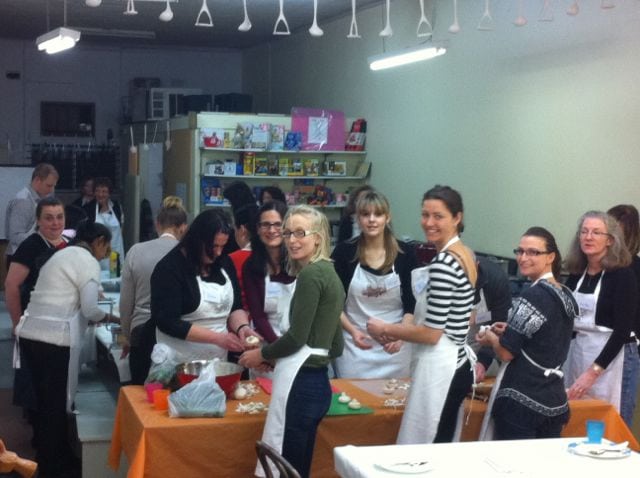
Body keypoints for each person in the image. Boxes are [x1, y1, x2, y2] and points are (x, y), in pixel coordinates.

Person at [239, 205, 344, 478]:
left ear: (318, 237)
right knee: (299, 468)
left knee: (287, 468)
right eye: (288, 233)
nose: (292, 240)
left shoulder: (310, 275)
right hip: (319, 384)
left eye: (300, 233)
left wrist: (262, 354)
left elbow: (296, 338)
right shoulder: (330, 273)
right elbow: (336, 346)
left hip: (300, 386)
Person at [367, 185, 476, 444]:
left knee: (426, 447)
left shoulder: (444, 264)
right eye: (425, 215)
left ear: (457, 218)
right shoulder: (464, 254)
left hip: (444, 367)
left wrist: (386, 328)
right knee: (441, 443)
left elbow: (431, 333)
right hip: (457, 363)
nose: (429, 223)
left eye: (438, 216)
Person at [15, 221, 116, 478]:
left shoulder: (63, 254)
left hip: (31, 334)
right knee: (55, 404)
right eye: (106, 247)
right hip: (53, 339)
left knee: (45, 402)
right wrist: (113, 318)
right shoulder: (87, 261)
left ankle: (52, 455)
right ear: (99, 242)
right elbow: (90, 309)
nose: (105, 254)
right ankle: (53, 466)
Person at [476, 227, 578, 440]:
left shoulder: (533, 295)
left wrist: (492, 338)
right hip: (554, 401)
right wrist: (509, 329)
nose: (523, 258)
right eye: (520, 251)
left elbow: (506, 353)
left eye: (533, 252)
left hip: (523, 401)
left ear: (550, 257)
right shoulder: (565, 293)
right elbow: (546, 336)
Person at [149, 209, 256, 362]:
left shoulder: (224, 263)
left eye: (222, 246)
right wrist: (217, 338)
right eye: (213, 246)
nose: (218, 252)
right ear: (197, 241)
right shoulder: (169, 268)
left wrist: (242, 327)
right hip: (177, 361)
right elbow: (167, 321)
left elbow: (235, 307)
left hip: (217, 360)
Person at [331, 189, 416, 379]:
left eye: (378, 214)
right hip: (355, 347)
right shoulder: (344, 252)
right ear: (357, 218)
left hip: (396, 348)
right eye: (365, 214)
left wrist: (402, 335)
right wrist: (353, 332)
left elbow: (412, 304)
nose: (371, 220)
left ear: (387, 217)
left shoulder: (406, 253)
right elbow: (333, 304)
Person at [4, 197, 68, 447]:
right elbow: (11, 286)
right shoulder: (31, 246)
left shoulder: (67, 246)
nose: (55, 223)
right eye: (48, 218)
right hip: (36, 329)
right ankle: (42, 442)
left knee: (56, 390)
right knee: (40, 388)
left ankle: (56, 440)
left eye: (59, 217)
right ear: (38, 221)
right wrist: (17, 324)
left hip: (61, 329)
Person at [564, 211, 637, 412]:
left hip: (613, 356)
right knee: (576, 414)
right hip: (579, 352)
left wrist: (593, 371)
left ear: (610, 240)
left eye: (596, 232)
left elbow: (622, 330)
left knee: (609, 417)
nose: (588, 237)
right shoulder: (576, 274)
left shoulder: (623, 275)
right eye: (584, 231)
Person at [119, 196, 188, 384]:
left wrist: (127, 335)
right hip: (178, 333)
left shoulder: (136, 251)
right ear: (183, 227)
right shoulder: (187, 253)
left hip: (141, 330)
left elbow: (126, 303)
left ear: (158, 224)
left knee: (141, 392)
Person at [243, 200, 295, 346]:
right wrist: (277, 347)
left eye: (278, 224)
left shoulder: (300, 262)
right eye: (265, 224)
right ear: (258, 229)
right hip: (267, 342)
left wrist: (292, 346)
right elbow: (258, 316)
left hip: (300, 340)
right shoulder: (251, 266)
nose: (271, 230)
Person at [607, 204, 640, 427]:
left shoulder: (633, 269)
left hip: (625, 350)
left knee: (617, 421)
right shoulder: (593, 268)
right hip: (590, 349)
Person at [4, 162, 58, 266]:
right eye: (49, 185)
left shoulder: (43, 198)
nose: (51, 190)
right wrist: (42, 240)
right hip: (20, 259)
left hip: (33, 256)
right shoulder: (23, 201)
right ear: (37, 180)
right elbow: (15, 236)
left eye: (53, 186)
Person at [469, 257, 513, 383]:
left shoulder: (496, 281)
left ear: (477, 266)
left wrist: (482, 362)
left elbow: (496, 322)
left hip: (478, 341)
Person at [83, 177, 124, 270]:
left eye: (104, 191)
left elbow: (121, 228)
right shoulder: (88, 209)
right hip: (97, 253)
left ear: (109, 193)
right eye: (97, 191)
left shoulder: (116, 207)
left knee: (115, 274)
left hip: (115, 250)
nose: (101, 194)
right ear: (94, 192)